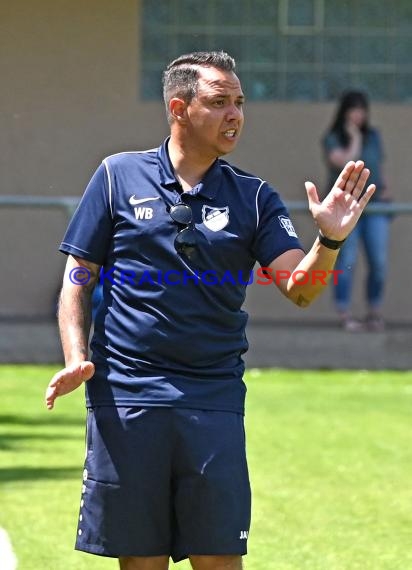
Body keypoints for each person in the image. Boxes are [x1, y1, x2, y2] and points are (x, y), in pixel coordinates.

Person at [45, 52, 375, 570]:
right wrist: (74, 355)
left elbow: (301, 288)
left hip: (213, 396)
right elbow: (78, 276)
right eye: (219, 102)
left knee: (219, 558)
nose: (235, 115)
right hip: (128, 394)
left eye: (240, 103)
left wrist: (328, 239)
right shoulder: (115, 176)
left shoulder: (254, 196)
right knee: (142, 561)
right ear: (179, 108)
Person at [323, 90, 392, 332]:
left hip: (374, 209)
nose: (359, 114)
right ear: (345, 111)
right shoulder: (334, 137)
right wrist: (354, 138)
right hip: (346, 209)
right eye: (354, 109)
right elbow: (344, 162)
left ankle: (374, 312)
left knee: (379, 263)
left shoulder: (373, 136)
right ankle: (345, 313)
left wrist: (385, 190)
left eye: (362, 109)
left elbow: (379, 167)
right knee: (347, 260)